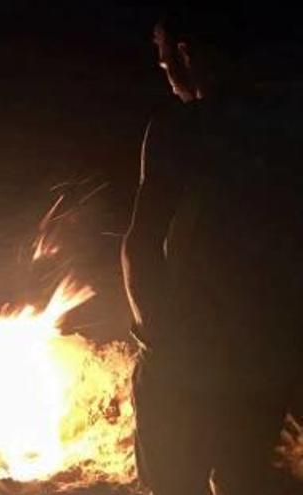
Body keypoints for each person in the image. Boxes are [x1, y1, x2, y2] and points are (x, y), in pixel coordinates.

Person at [122, 7, 303, 495]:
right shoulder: (287, 130)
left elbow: (140, 242)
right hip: (263, 356)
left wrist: (154, 335)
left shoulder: (182, 129)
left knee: (173, 483)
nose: (169, 80)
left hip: (190, 355)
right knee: (242, 479)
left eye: (166, 65)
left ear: (187, 53)